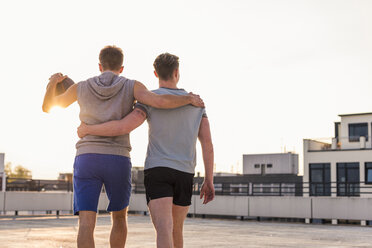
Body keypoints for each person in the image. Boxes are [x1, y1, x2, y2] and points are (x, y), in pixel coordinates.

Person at [42, 46, 204, 248]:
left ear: (99, 65)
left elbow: (48, 107)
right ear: (122, 67)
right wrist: (188, 98)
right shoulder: (132, 86)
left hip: (86, 158)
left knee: (86, 222)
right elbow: (160, 100)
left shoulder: (80, 87)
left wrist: (52, 84)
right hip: (117, 159)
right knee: (119, 218)